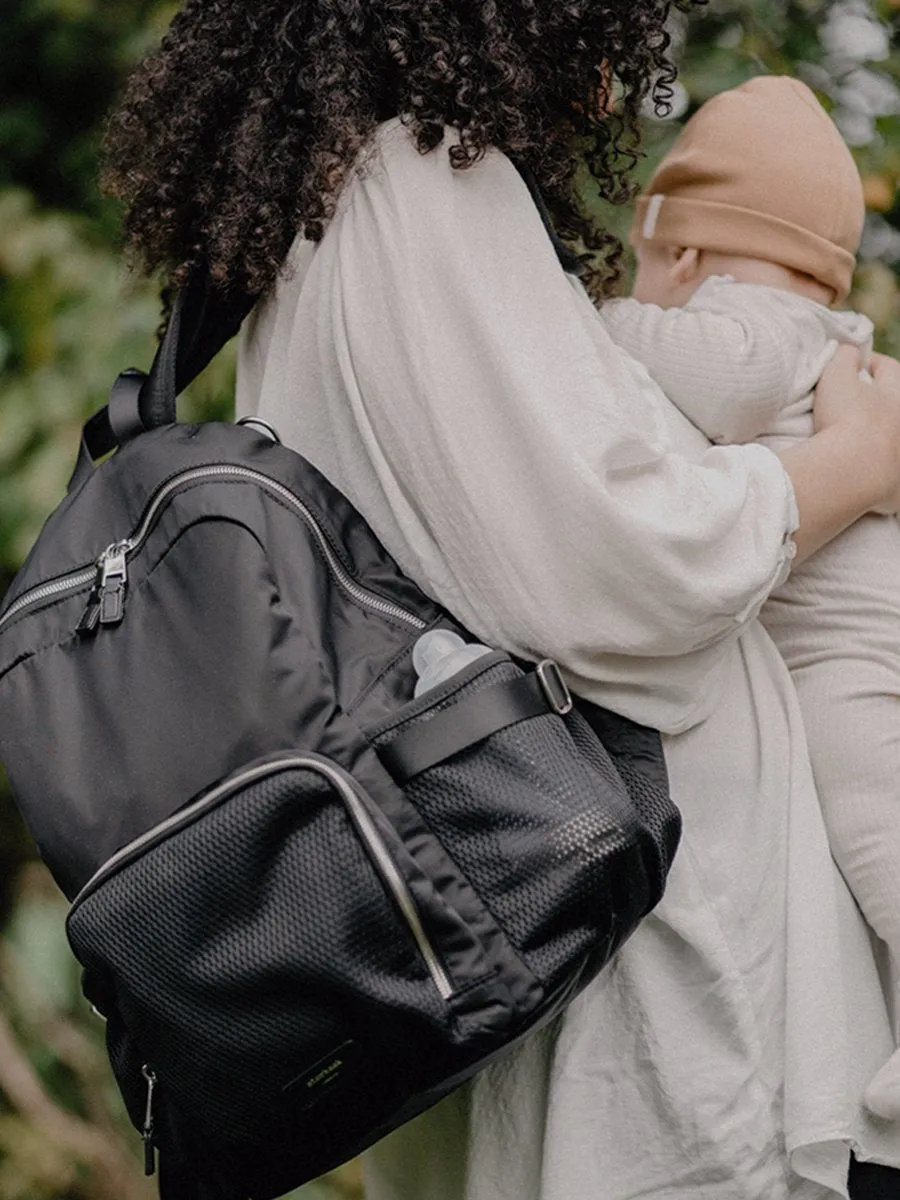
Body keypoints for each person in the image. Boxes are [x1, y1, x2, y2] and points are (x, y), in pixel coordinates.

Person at [101, 3, 900, 1196]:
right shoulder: (419, 186)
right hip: (641, 991)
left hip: (547, 953)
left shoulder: (348, 205)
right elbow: (614, 569)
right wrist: (857, 463)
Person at [600, 74, 900, 1122]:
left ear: (683, 251)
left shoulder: (758, 322)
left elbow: (715, 383)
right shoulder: (821, 340)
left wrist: (587, 321)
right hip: (843, 640)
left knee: (875, 815)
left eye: (646, 264)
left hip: (847, 652)